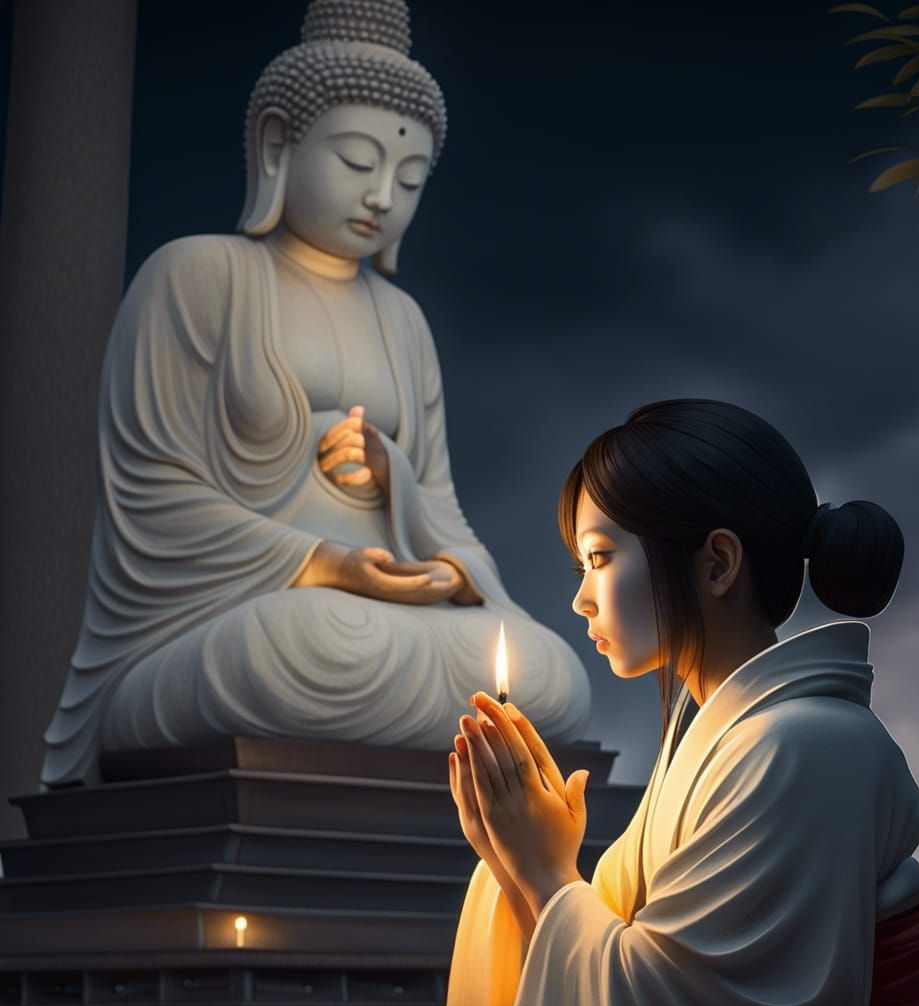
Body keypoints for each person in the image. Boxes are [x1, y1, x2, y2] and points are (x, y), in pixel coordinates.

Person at [40, 0, 588, 788]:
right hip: (237, 627)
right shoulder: (196, 278)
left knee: (544, 672)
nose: (381, 198)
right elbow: (154, 505)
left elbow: (443, 509)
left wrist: (446, 567)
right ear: (277, 144)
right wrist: (326, 563)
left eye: (408, 177)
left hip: (386, 614)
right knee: (302, 644)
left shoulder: (403, 321)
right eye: (357, 162)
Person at [444, 399, 919, 1006]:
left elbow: (681, 1004)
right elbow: (626, 949)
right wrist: (514, 861)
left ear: (717, 563)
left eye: (599, 559)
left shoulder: (805, 745)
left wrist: (545, 870)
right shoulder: (714, 731)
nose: (581, 600)